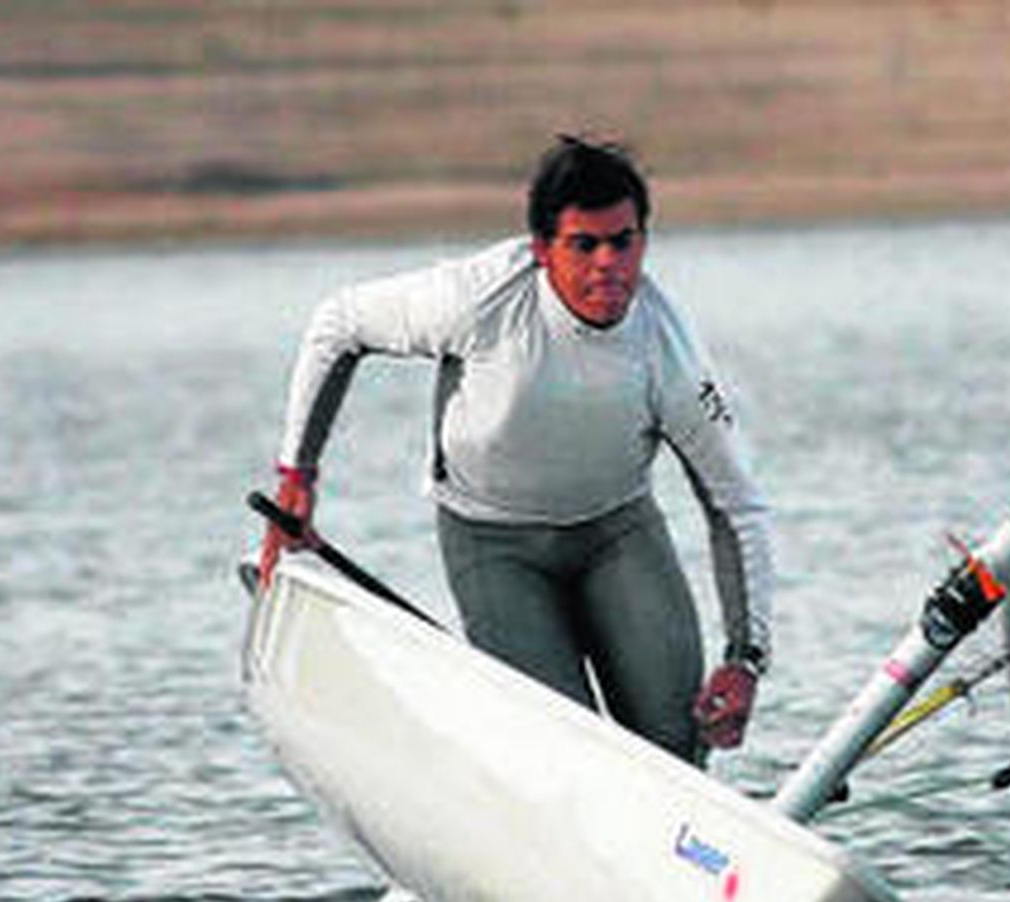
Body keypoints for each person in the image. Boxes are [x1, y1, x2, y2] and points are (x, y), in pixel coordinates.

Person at [258, 136, 772, 762]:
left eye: (624, 241)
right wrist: (297, 474)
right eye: (584, 245)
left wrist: (745, 659)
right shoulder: (478, 299)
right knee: (565, 748)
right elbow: (337, 326)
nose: (607, 263)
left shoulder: (672, 354)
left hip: (618, 535)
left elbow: (737, 505)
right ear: (541, 250)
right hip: (494, 545)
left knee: (675, 742)